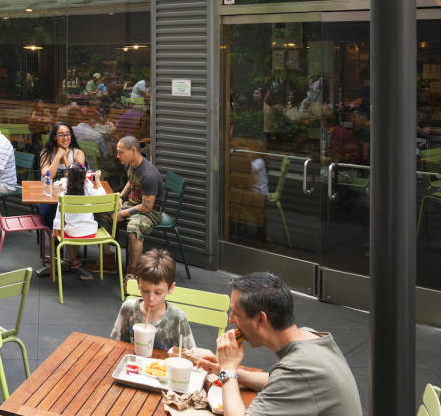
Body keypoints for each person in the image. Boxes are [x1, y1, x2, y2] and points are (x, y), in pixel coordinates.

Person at [197, 272, 361, 416]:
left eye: (236, 314)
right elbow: (276, 380)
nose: (231, 319)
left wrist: (228, 372)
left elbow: (290, 378)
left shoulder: (299, 370)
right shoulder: (308, 337)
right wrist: (223, 369)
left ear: (260, 319)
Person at [110, 248, 196, 351]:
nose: (151, 299)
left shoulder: (177, 318)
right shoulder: (129, 309)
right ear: (138, 284)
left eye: (158, 293)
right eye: (145, 291)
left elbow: (192, 354)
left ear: (170, 288)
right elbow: (116, 346)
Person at [114, 136, 165, 279]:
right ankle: (108, 258)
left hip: (151, 212)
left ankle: (133, 271)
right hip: (133, 203)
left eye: (120, 152)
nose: (118, 156)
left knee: (133, 229)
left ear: (133, 150)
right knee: (104, 213)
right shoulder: (131, 163)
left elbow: (147, 207)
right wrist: (121, 197)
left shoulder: (149, 174)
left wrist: (122, 213)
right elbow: (131, 182)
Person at [51, 163, 102, 280]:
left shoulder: (63, 196)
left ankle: (72, 259)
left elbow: (58, 218)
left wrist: (54, 232)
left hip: (73, 232)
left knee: (65, 228)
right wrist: (97, 180)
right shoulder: (89, 190)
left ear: (68, 178)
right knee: (77, 227)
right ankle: (73, 259)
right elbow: (102, 194)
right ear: (85, 177)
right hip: (91, 231)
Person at [37, 121, 87, 234]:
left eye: (68, 134)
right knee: (49, 211)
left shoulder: (78, 153)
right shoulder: (46, 153)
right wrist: (58, 156)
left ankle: (67, 239)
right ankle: (55, 241)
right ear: (54, 137)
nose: (65, 138)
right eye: (61, 135)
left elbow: (76, 176)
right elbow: (48, 176)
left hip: (69, 194)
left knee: (72, 212)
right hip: (48, 196)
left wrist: (65, 158)